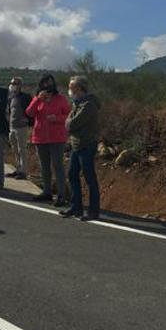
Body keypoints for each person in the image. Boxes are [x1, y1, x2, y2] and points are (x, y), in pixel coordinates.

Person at [25, 74, 70, 207]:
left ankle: (61, 195)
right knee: (44, 167)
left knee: (58, 166)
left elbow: (68, 116)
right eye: (45, 83)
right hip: (40, 137)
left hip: (57, 138)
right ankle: (47, 192)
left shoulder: (60, 99)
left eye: (49, 83)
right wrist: (37, 100)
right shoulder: (38, 99)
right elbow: (29, 113)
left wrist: (56, 118)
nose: (47, 85)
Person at [61, 75, 101, 221]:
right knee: (72, 175)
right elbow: (68, 123)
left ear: (79, 89)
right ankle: (76, 207)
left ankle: (93, 211)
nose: (69, 90)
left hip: (87, 145)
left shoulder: (88, 105)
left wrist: (69, 123)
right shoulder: (77, 104)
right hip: (76, 145)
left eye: (71, 87)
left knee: (89, 178)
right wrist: (69, 123)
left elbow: (71, 124)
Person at [6, 77, 33, 180]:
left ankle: (23, 171)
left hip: (21, 127)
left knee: (22, 149)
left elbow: (31, 111)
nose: (13, 85)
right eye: (12, 83)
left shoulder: (25, 97)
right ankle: (18, 169)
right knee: (15, 149)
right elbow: (9, 111)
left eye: (16, 83)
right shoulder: (11, 98)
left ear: (20, 85)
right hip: (12, 127)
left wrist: (29, 122)